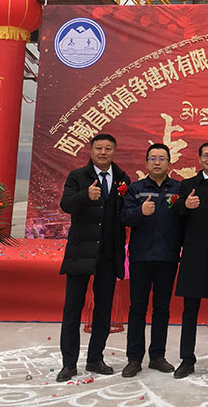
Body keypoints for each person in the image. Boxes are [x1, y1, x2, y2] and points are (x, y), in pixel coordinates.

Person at [56, 133, 131, 382]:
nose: (103, 152)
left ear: (114, 151)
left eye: (108, 148)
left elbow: (125, 213)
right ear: (91, 150)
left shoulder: (122, 179)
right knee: (72, 309)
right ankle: (69, 363)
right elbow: (66, 205)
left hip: (109, 254)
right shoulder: (77, 176)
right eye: (99, 148)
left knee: (103, 310)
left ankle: (95, 359)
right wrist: (84, 196)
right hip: (81, 252)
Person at [120, 143, 183, 377]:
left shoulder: (178, 189)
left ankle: (157, 356)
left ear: (169, 163)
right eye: (153, 158)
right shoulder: (135, 189)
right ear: (146, 163)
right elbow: (125, 217)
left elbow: (185, 218)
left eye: (162, 158)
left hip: (167, 257)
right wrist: (140, 212)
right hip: (141, 257)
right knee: (137, 308)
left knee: (162, 309)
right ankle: (134, 359)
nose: (157, 162)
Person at [173, 141, 208, 379]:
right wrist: (185, 206)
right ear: (199, 159)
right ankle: (187, 359)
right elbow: (176, 214)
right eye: (205, 155)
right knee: (190, 310)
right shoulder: (188, 185)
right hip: (194, 254)